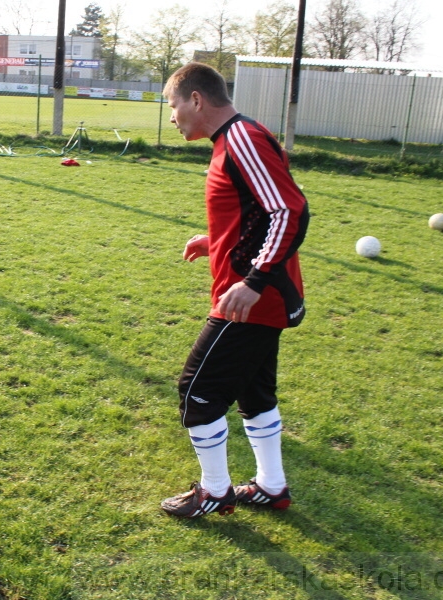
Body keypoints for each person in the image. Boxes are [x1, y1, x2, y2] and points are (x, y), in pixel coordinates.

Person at [158, 63, 309, 518]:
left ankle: (214, 491)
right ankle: (270, 487)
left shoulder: (241, 138)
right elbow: (258, 213)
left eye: (172, 105)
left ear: (196, 99)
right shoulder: (234, 139)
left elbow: (289, 211)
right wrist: (216, 241)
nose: (172, 116)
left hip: (251, 300)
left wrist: (254, 281)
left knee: (197, 391)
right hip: (256, 295)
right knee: (255, 395)